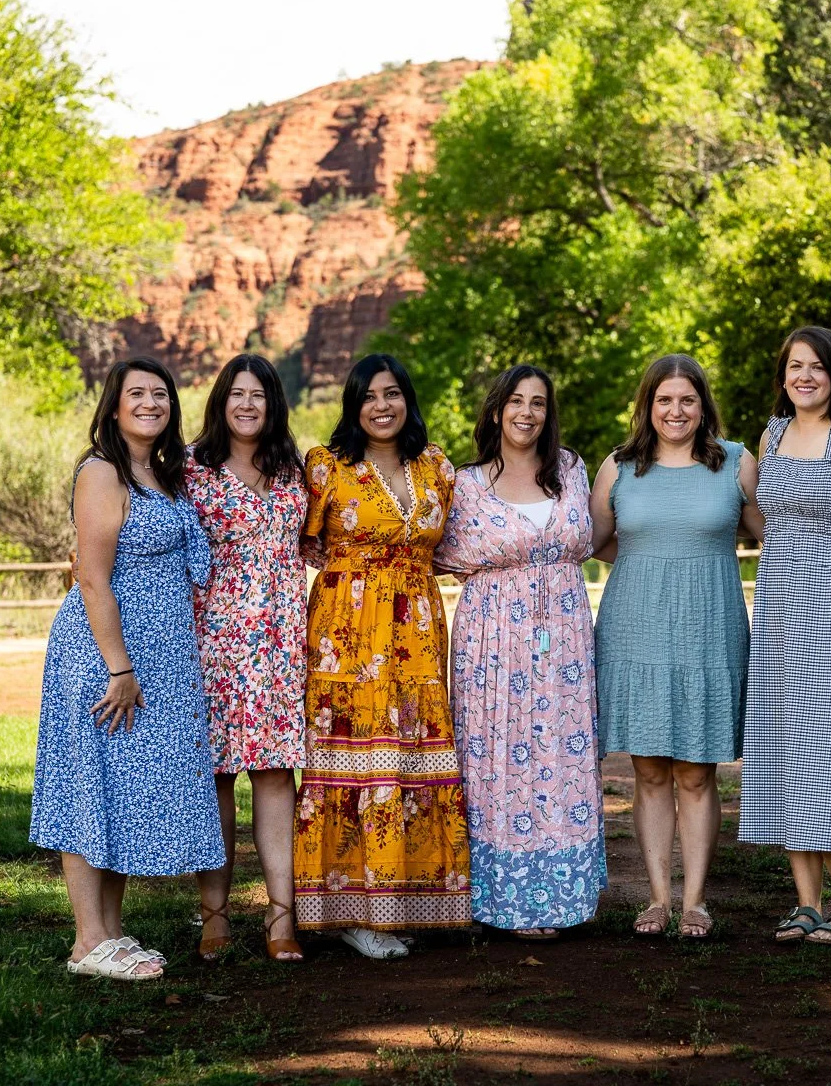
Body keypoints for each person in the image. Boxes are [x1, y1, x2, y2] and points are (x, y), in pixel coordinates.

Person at [30, 358, 221, 981]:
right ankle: (88, 942)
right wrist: (119, 668)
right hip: (106, 653)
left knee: (121, 791)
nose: (149, 402)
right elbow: (91, 575)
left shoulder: (159, 473)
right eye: (135, 393)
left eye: (160, 393)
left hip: (158, 655)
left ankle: (111, 934)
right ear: (113, 406)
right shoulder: (103, 470)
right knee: (90, 788)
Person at [294, 353, 469, 959]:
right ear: (353, 404)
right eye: (368, 396)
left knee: (411, 757)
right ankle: (352, 912)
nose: (382, 405)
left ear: (407, 399)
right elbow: (296, 543)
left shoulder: (437, 466)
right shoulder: (326, 466)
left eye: (392, 393)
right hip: (347, 630)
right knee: (356, 758)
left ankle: (403, 902)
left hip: (418, 625)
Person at [591, 353, 760, 940]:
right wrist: (651, 565)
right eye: (664, 400)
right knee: (650, 771)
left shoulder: (737, 462)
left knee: (696, 770)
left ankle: (696, 902)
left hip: (710, 631)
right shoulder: (618, 466)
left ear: (703, 405)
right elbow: (595, 542)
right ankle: (657, 899)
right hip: (635, 628)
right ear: (648, 406)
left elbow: (776, 538)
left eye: (687, 400)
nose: (676, 410)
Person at [436, 364, 603, 939]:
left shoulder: (573, 472)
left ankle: (561, 896)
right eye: (516, 401)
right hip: (491, 644)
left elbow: (599, 536)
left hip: (565, 638)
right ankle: (499, 899)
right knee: (495, 760)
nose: (527, 412)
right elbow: (428, 548)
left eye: (538, 403)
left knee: (561, 756)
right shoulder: (464, 484)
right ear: (497, 409)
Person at [739, 326, 831, 948]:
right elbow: (761, 518)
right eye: (795, 366)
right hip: (778, 609)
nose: (805, 376)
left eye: (817, 367)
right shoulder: (771, 436)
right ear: (783, 375)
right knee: (785, 750)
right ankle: (805, 903)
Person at [187, 354, 308, 963]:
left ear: (273, 403)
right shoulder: (190, 469)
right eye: (237, 394)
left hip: (283, 644)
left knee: (273, 775)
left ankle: (280, 917)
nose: (247, 404)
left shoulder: (294, 470)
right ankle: (214, 916)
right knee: (215, 779)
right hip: (212, 642)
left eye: (259, 395)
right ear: (220, 401)